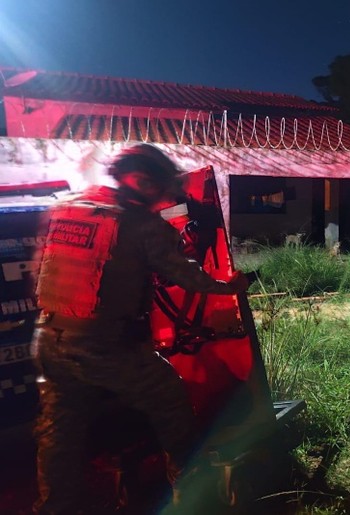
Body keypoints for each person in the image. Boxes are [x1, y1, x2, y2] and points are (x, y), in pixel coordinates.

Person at [32, 144, 250, 514]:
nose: (165, 197)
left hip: (49, 339)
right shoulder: (141, 224)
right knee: (172, 402)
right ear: (143, 181)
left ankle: (53, 507)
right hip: (104, 346)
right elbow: (185, 274)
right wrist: (231, 286)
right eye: (161, 189)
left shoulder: (67, 206)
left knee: (59, 432)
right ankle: (194, 498)